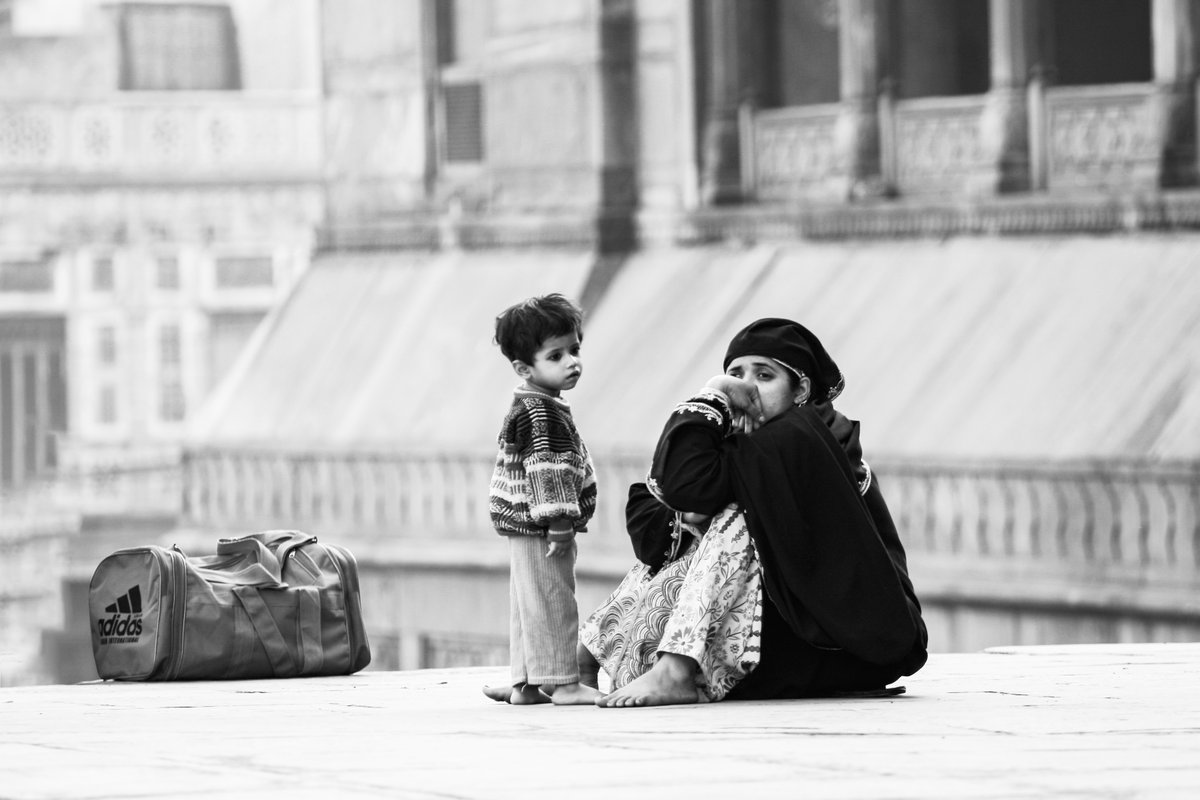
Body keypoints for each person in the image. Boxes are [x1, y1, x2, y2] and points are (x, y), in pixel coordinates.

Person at [583, 317, 928, 707]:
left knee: (733, 514)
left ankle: (676, 670)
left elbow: (686, 485)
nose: (745, 389)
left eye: (764, 375)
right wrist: (689, 511)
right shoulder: (752, 444)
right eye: (734, 375)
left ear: (801, 390)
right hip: (786, 634)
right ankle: (582, 661)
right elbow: (650, 512)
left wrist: (711, 395)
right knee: (691, 522)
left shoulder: (806, 438)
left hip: (848, 644)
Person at [484, 294, 600, 705]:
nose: (572, 361)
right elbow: (547, 471)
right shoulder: (543, 412)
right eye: (556, 355)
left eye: (574, 349)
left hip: (523, 524)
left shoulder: (532, 403)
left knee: (527, 604)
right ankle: (564, 682)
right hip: (542, 525)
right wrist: (561, 524)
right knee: (553, 600)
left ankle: (526, 682)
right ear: (524, 367)